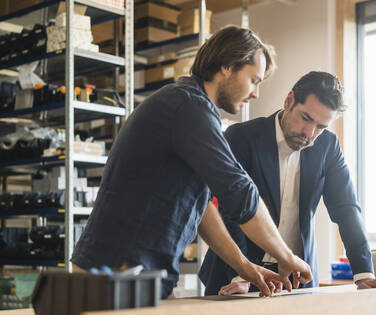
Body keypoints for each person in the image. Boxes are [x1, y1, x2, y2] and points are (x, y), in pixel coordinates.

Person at [71, 26, 313, 298]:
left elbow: (202, 208)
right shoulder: (188, 107)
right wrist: (287, 256)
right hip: (116, 273)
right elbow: (241, 192)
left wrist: (245, 266)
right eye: (254, 80)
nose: (256, 93)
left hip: (138, 273)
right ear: (227, 66)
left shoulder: (191, 107)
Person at [199, 71, 376, 295]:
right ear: (289, 101)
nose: (310, 134)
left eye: (321, 127)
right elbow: (231, 211)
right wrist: (244, 272)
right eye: (306, 118)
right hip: (235, 275)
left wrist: (363, 274)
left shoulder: (328, 146)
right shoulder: (242, 136)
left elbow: (346, 208)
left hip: (296, 279)